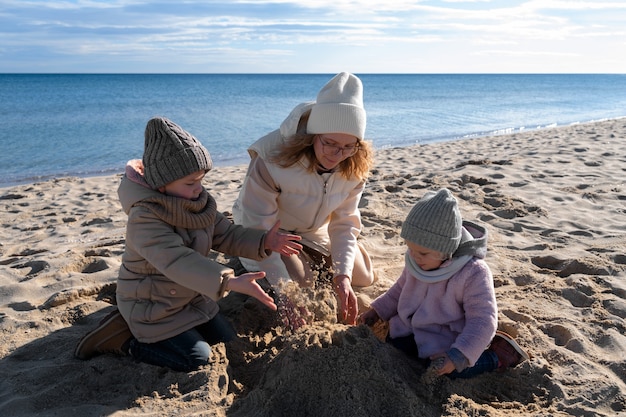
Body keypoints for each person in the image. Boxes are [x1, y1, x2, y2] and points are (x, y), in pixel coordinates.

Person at [74, 116, 302, 372]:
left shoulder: (197, 203)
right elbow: (177, 260)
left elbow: (225, 234)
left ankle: (163, 330)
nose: (199, 188)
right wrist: (227, 281)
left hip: (192, 299)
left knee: (227, 340)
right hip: (153, 307)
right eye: (190, 183)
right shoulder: (144, 218)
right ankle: (122, 338)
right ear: (162, 185)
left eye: (201, 179)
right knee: (197, 360)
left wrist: (263, 240)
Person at [232, 72, 376, 328]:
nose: (337, 154)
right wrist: (284, 293)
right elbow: (258, 226)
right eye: (329, 143)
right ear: (312, 136)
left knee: (361, 278)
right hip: (267, 232)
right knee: (300, 284)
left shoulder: (354, 165)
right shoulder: (272, 159)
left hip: (313, 229)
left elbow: (343, 223)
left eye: (348, 146)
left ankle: (328, 256)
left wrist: (342, 276)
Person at [359, 188, 529, 379]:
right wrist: (377, 311)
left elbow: (483, 320)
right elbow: (399, 290)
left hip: (448, 343)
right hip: (411, 330)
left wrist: (457, 355)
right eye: (410, 248)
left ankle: (496, 357)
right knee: (395, 345)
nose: (414, 256)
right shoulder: (417, 260)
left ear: (446, 250)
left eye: (422, 253)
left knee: (449, 370)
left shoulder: (472, 273)